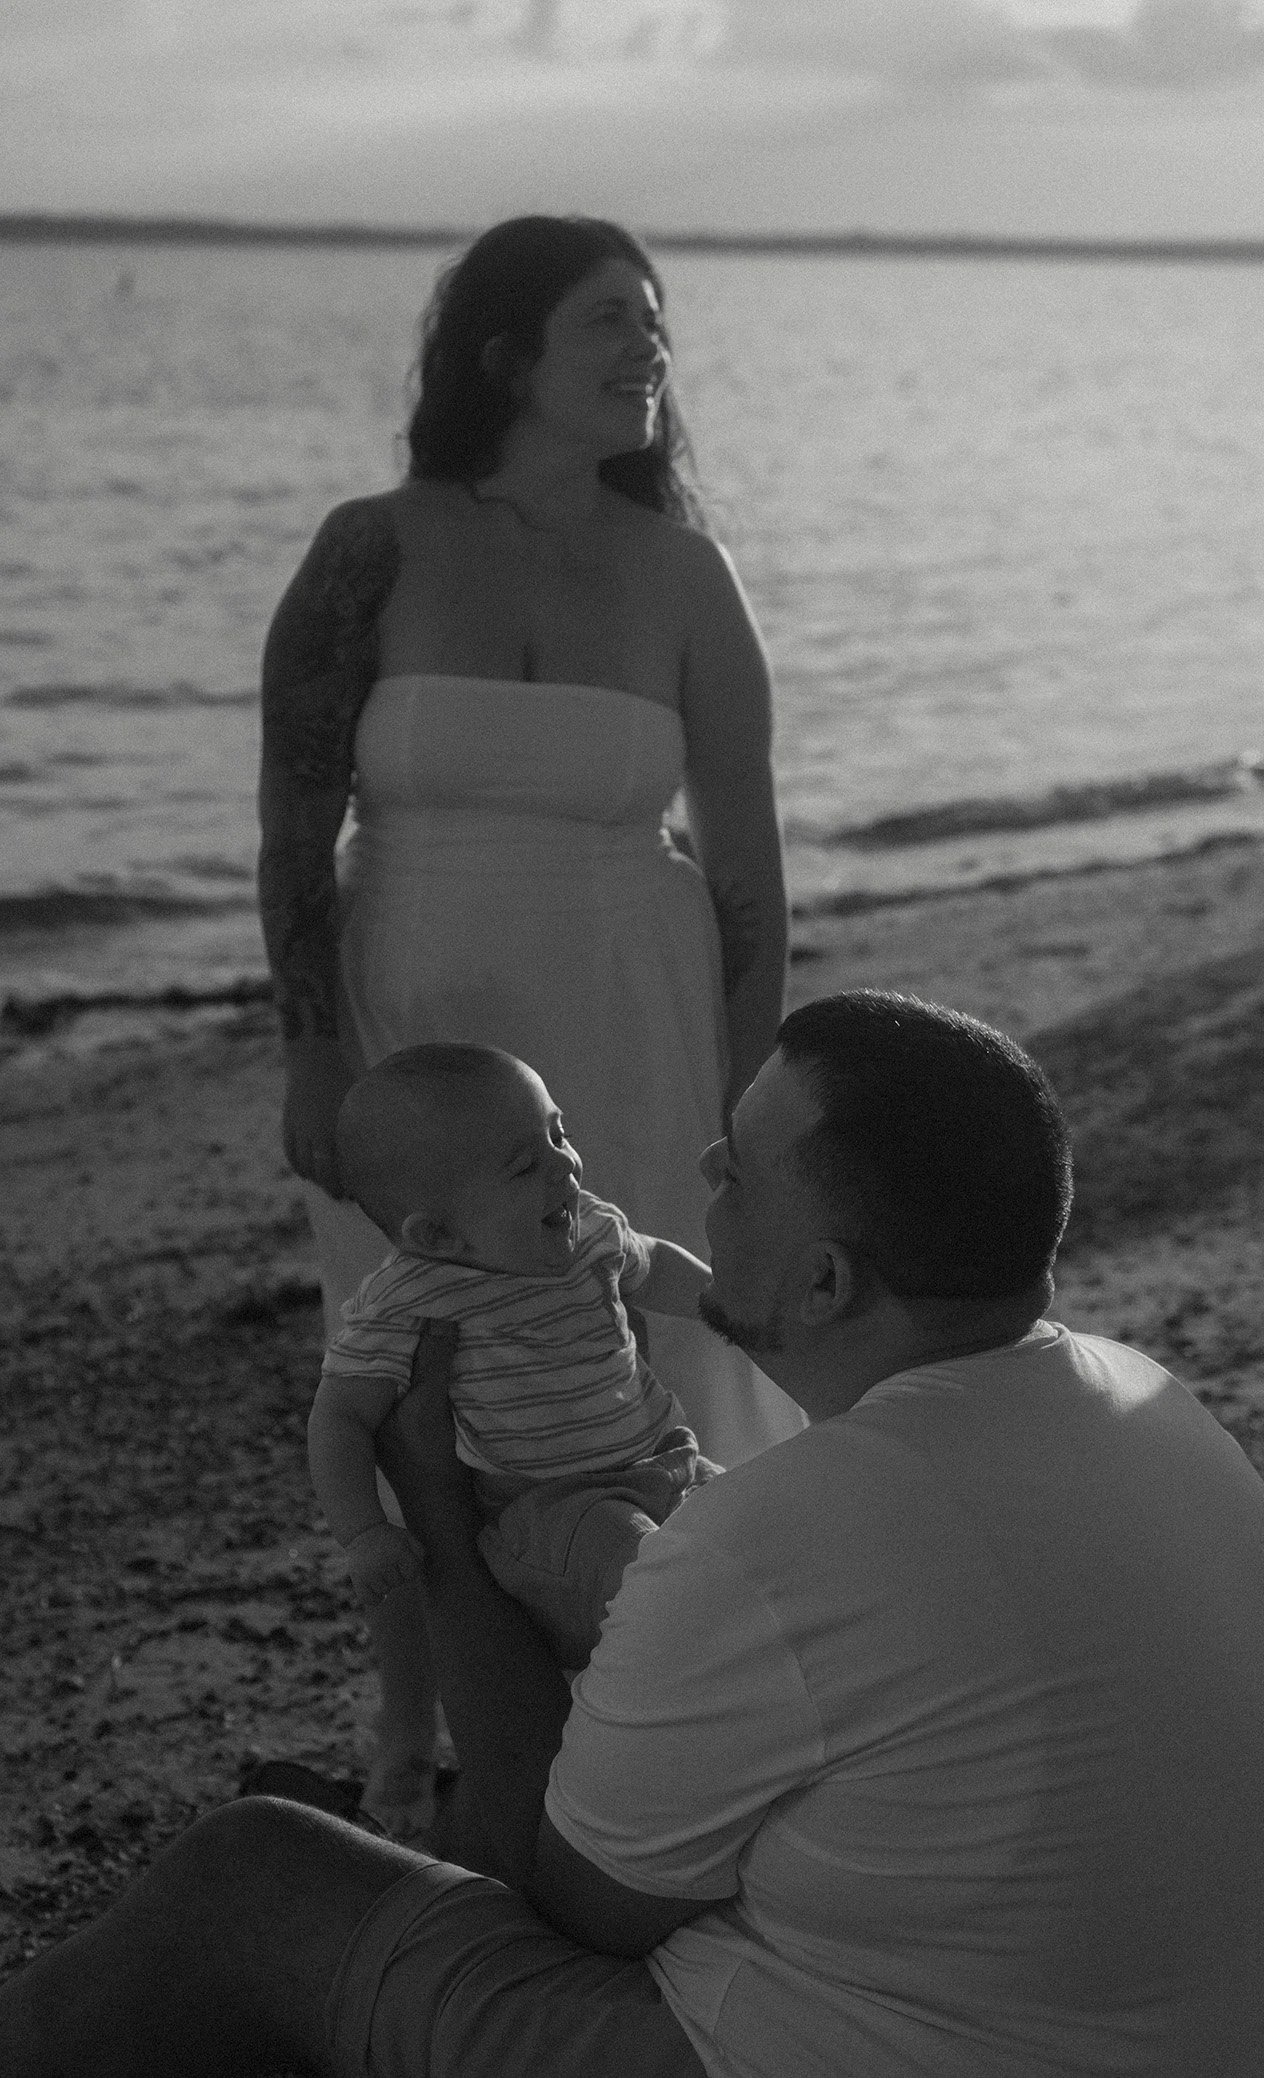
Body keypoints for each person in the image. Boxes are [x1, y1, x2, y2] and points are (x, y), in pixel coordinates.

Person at [5, 987, 1264, 2077]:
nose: (700, 1170)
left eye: (739, 1170)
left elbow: (570, 1901)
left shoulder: (779, 1534)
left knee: (251, 1876)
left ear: (828, 1274)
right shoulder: (1153, 1403)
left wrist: (435, 1506)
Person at [256, 212, 804, 1828]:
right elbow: (294, 822)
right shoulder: (372, 545)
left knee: (642, 1357)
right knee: (425, 1376)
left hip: (636, 1016)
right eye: (609, 319)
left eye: (656, 320)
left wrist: (752, 1089)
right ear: (505, 353)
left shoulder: (688, 573)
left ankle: (672, 1712)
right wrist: (306, 1043)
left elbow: (752, 864)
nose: (649, 346)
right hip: (410, 1021)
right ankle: (421, 1731)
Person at [311, 1043, 717, 1698]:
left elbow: (653, 1263)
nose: (565, 1166)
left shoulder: (588, 1230)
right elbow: (340, 1417)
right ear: (438, 1237)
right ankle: (661, 1714)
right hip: (545, 1513)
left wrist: (718, 1299)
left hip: (668, 1461)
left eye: (559, 1134)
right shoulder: (416, 1295)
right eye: (526, 1166)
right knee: (653, 1579)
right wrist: (362, 1533)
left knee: (757, 1528)